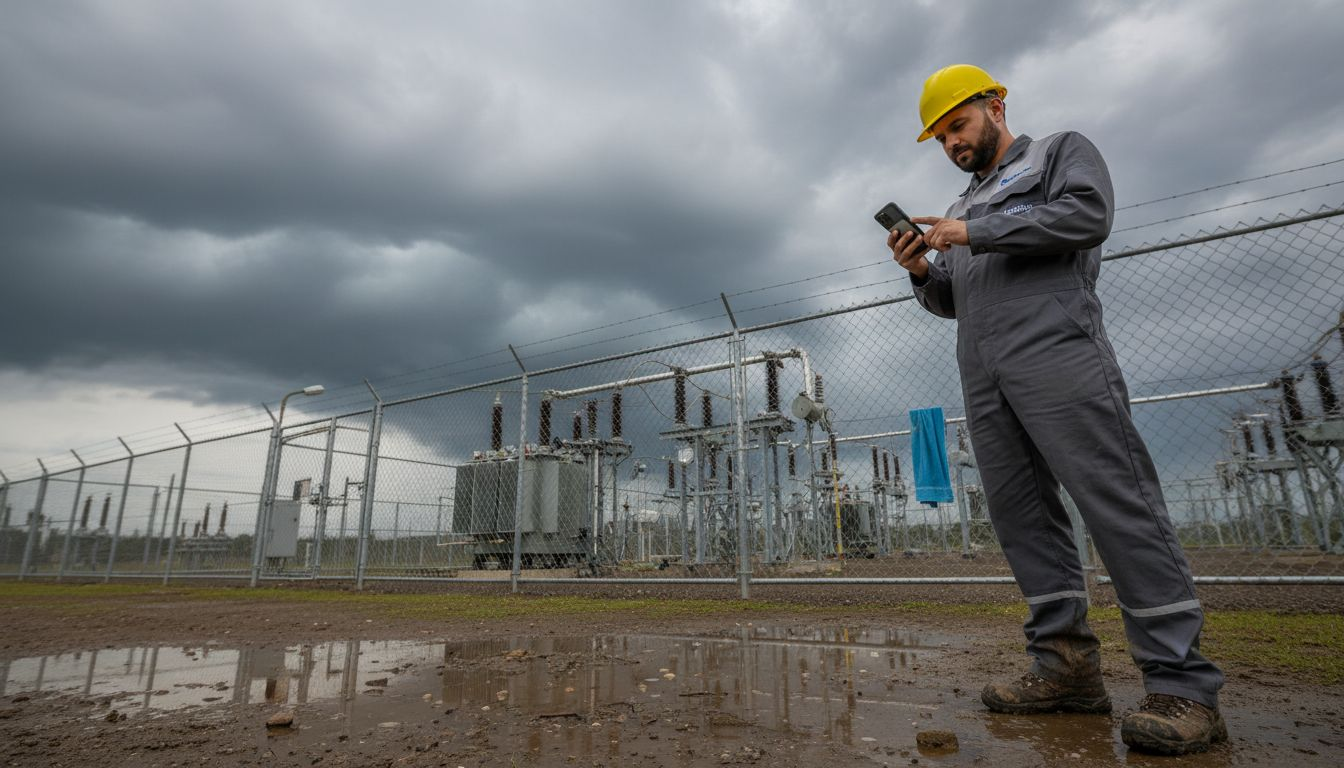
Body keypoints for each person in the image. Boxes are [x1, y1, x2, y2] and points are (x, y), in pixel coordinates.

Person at [886, 64, 1227, 756]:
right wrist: (923, 269)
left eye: (959, 125)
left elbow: (1086, 216)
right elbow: (953, 296)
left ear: (995, 106)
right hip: (985, 372)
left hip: (1059, 356)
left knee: (1116, 503)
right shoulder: (965, 202)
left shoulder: (1057, 153)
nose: (953, 142)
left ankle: (1183, 685)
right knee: (1021, 519)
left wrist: (973, 232)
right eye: (942, 137)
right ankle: (1065, 668)